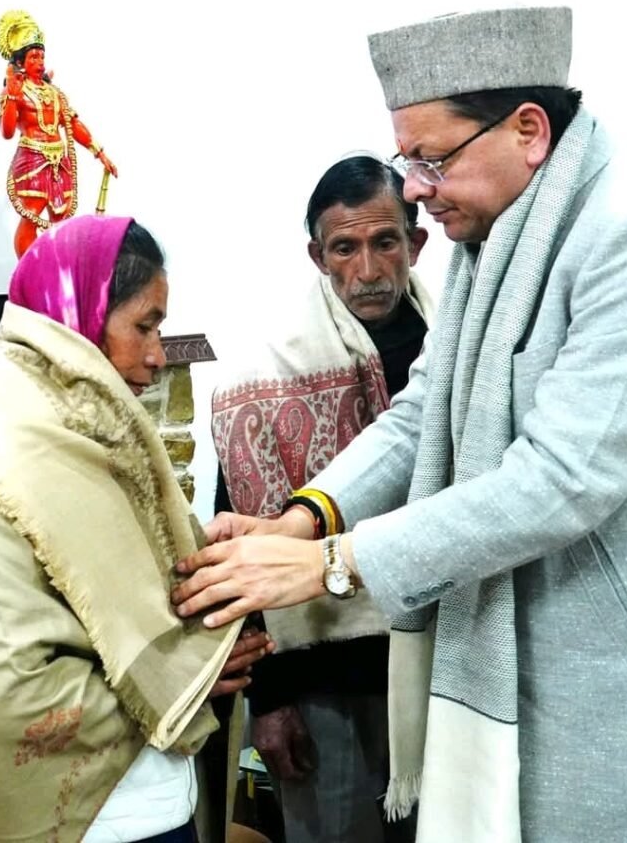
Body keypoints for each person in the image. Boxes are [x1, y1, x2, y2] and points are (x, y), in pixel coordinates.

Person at [171, 8, 627, 843]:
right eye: (406, 160)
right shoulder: (492, 242)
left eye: (431, 159)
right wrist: (305, 518)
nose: (414, 188)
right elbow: (422, 410)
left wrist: (332, 565)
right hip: (558, 678)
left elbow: (557, 482)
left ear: (528, 131)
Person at [0, 215, 273, 843]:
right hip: (87, 824)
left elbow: (139, 604)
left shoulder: (90, 434)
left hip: (162, 801)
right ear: (77, 315)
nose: (159, 355)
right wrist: (180, 686)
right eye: (144, 326)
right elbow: (4, 701)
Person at [211, 155, 432, 843]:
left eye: (385, 242)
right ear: (318, 256)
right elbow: (242, 551)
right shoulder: (263, 381)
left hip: (441, 660)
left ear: (416, 242)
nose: (367, 269)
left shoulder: (454, 351)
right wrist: (269, 702)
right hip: (319, 683)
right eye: (344, 248)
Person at [0, 10, 119, 258]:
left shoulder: (54, 93)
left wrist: (100, 153)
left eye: (41, 56)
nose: (40, 62)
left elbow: (73, 124)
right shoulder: (16, 92)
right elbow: (7, 132)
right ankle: (29, 270)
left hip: (59, 163)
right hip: (32, 160)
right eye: (33, 57)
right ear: (20, 62)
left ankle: (58, 268)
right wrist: (12, 95)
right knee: (31, 215)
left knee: (62, 219)